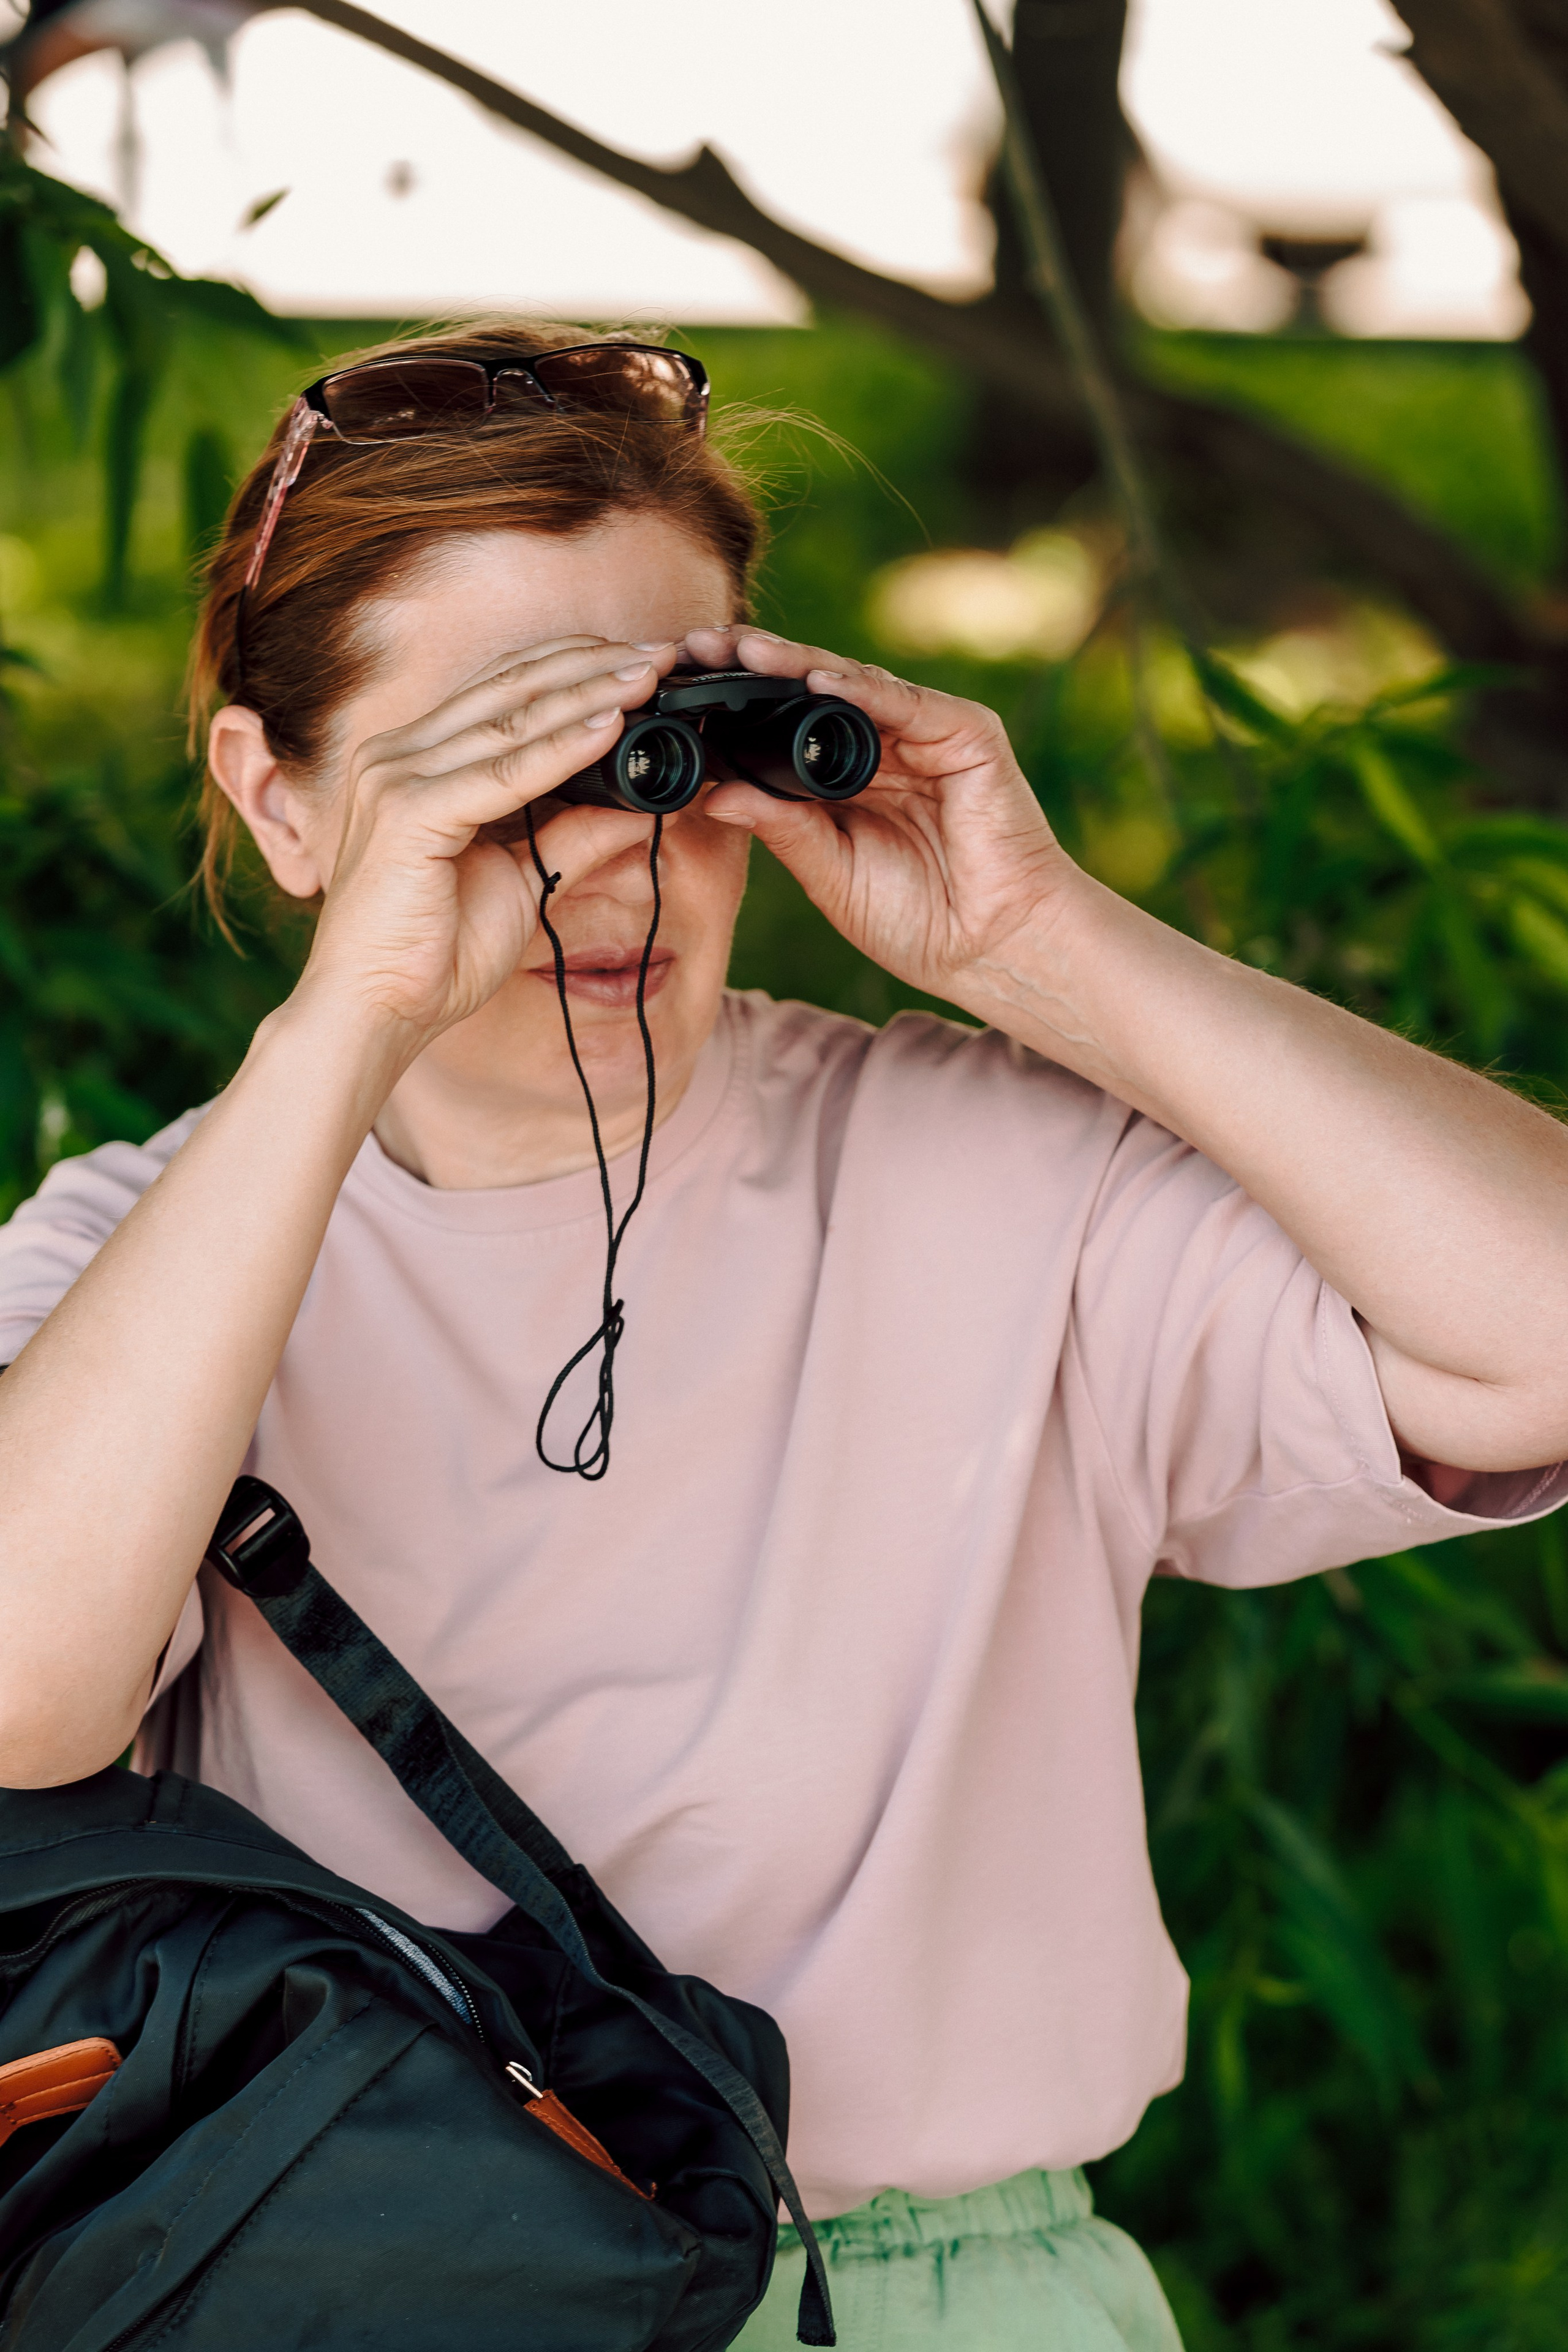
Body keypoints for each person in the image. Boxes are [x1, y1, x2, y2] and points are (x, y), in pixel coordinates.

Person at [1, 318, 1566, 2352]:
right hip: (403, 2295)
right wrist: (349, 1022)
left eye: (675, 743)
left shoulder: (984, 1170)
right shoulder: (148, 1249)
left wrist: (1043, 940)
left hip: (950, 2298)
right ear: (278, 799)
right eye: (489, 766)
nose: (610, 850)